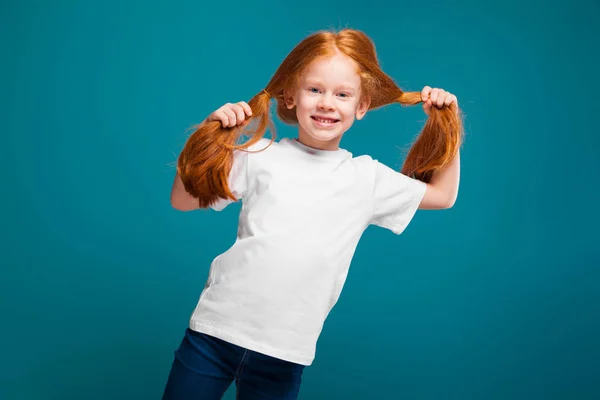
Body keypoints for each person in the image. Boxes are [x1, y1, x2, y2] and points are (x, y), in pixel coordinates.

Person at [164, 28, 464, 400]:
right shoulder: (258, 154)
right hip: (213, 333)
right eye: (315, 90)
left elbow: (443, 195)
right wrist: (212, 140)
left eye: (342, 94)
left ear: (362, 105)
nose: (327, 103)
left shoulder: (365, 178)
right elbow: (184, 199)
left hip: (285, 352)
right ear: (290, 95)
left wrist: (446, 118)